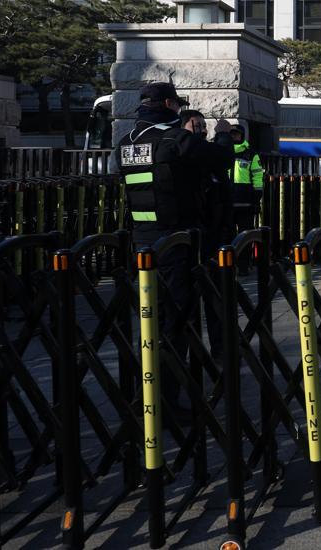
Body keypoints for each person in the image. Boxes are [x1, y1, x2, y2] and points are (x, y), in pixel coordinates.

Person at [114, 82, 234, 415]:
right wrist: (223, 133)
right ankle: (165, 401)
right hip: (177, 241)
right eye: (177, 106)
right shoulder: (175, 139)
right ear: (168, 104)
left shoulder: (125, 144)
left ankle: (148, 389)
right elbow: (221, 158)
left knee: (151, 318)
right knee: (175, 321)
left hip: (142, 241)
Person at [180, 108, 235, 258]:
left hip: (216, 225)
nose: (203, 131)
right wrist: (223, 134)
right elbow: (223, 157)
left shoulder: (206, 150)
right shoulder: (186, 151)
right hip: (198, 224)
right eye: (197, 126)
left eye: (204, 126)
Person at [227, 124, 264, 235]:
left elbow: (257, 176)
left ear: (242, 136)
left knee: (246, 235)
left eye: (236, 134)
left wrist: (257, 197)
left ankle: (246, 253)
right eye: (231, 134)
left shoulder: (251, 154)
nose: (233, 136)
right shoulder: (223, 152)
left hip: (245, 202)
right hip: (227, 202)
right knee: (228, 235)